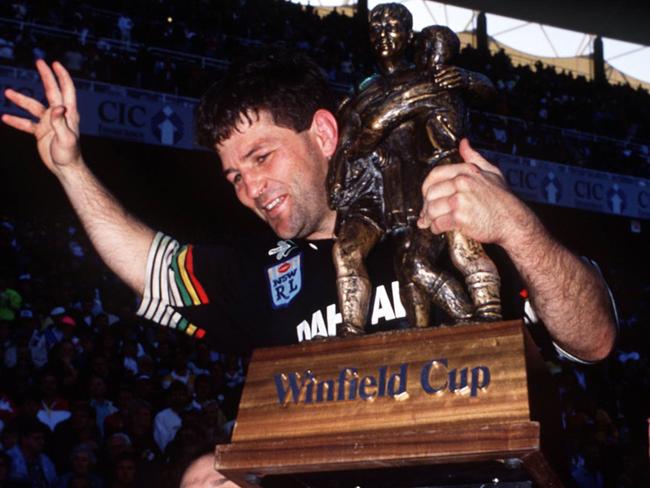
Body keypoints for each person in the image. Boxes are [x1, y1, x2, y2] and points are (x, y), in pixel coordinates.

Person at [2, 48, 616, 485]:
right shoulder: (266, 271)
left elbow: (593, 337)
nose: (250, 188)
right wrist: (69, 169)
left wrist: (514, 224)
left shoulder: (454, 210)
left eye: (262, 156)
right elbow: (152, 267)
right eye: (235, 175)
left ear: (323, 132)